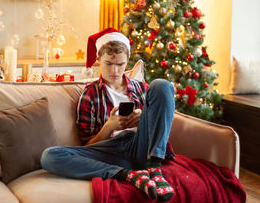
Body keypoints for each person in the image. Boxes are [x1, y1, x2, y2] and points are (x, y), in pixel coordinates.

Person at [41, 28, 176, 201]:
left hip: (142, 146)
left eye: (120, 64)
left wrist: (144, 119)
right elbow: (88, 146)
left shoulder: (142, 89)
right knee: (49, 156)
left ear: (127, 61)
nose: (115, 71)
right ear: (99, 60)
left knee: (162, 85)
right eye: (109, 64)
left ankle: (154, 167)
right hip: (111, 152)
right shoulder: (90, 95)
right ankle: (128, 175)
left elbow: (160, 124)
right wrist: (109, 126)